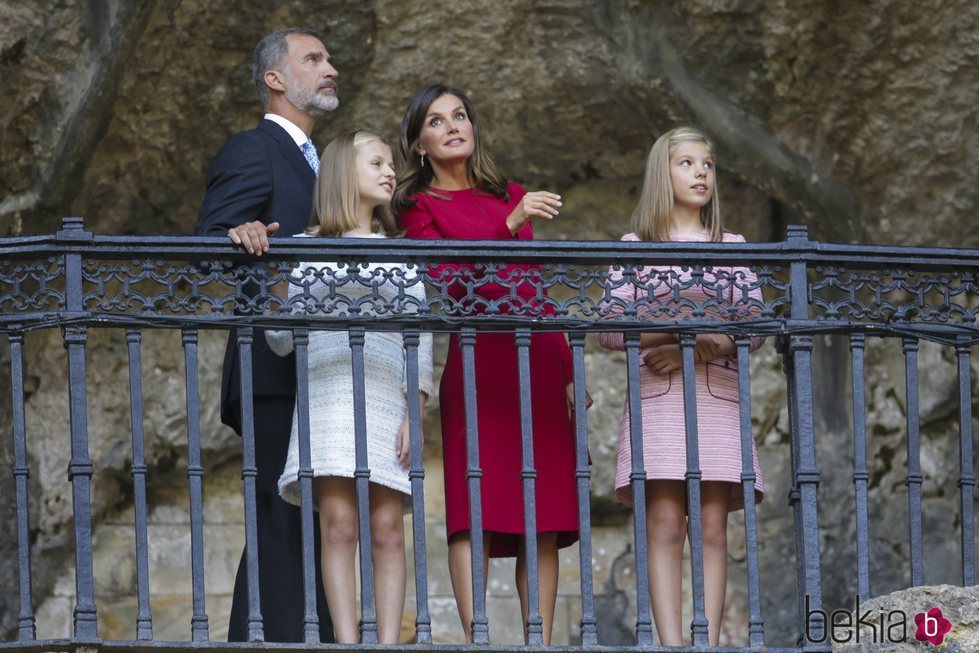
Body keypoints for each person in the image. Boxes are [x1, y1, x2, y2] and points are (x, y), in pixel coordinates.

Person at [394, 83, 581, 645]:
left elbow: (533, 288)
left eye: (460, 116)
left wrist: (568, 369)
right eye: (435, 120)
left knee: (542, 516)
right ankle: (479, 641)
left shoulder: (511, 193)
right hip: (479, 362)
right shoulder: (418, 206)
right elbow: (452, 283)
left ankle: (538, 643)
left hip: (538, 359)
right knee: (473, 509)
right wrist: (506, 224)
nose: (452, 126)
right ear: (419, 144)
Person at [193, 27, 339, 642]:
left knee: (316, 518)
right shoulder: (254, 148)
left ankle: (302, 633)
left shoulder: (322, 163)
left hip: (323, 363)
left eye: (329, 58)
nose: (331, 67)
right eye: (314, 59)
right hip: (272, 369)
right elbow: (204, 245)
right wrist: (242, 230)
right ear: (275, 79)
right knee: (283, 519)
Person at [597, 126, 765, 647]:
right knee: (665, 525)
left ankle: (708, 642)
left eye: (708, 165)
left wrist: (707, 343)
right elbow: (609, 328)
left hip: (717, 400)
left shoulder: (732, 247)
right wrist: (682, 331)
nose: (700, 173)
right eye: (687, 163)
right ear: (661, 175)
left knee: (713, 528)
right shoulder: (635, 247)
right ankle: (671, 644)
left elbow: (753, 326)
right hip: (660, 402)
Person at [265, 130, 434, 644]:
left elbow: (419, 335)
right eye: (377, 162)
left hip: (386, 396)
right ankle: (346, 641)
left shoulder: (400, 254)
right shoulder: (306, 249)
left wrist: (415, 408)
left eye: (390, 163)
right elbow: (278, 339)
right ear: (343, 174)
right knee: (338, 524)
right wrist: (275, 280)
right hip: (328, 396)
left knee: (386, 529)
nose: (390, 172)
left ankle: (386, 643)